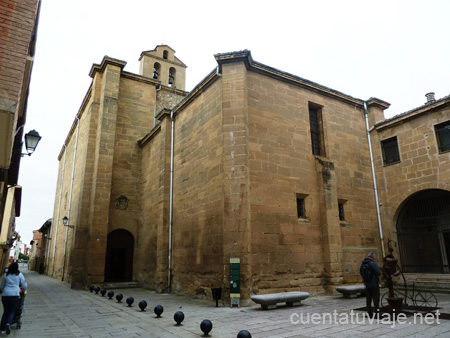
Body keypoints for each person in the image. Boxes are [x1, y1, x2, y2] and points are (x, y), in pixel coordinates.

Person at [0, 262, 27, 335]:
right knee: (12, 311)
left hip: (5, 295)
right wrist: (24, 291)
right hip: (14, 295)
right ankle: (8, 324)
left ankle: (2, 330)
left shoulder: (6, 275)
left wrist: (2, 290)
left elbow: (2, 286)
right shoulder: (19, 275)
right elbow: (24, 285)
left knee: (5, 312)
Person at [360, 252, 381, 317]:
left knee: (368, 299)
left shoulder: (363, 264)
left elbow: (361, 272)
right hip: (374, 283)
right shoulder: (372, 263)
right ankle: (377, 313)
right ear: (373, 257)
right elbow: (378, 273)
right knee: (376, 299)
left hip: (367, 284)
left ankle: (369, 313)